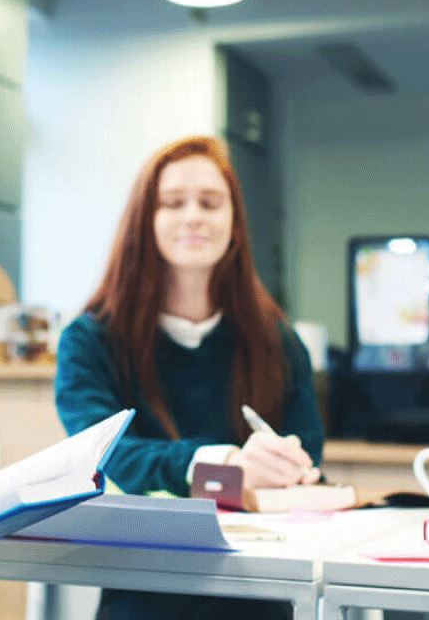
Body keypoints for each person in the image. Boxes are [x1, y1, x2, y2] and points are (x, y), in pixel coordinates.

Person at [54, 136, 324, 620]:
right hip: (143, 597)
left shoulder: (279, 343)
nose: (194, 216)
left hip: (258, 598)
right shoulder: (90, 342)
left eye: (210, 202)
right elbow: (108, 454)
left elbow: (310, 457)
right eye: (173, 203)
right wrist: (225, 467)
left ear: (235, 224)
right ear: (145, 222)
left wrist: (290, 467)